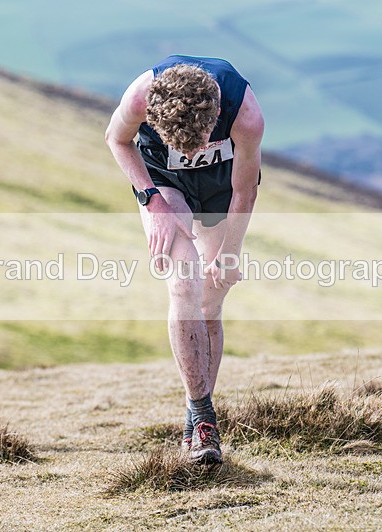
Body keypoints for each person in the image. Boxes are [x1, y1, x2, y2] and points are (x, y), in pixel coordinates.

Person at [105, 55, 264, 464]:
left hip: (221, 186)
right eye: (180, 145)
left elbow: (245, 192)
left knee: (210, 301)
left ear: (216, 117)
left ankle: (195, 417)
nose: (189, 153)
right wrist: (152, 200)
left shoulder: (245, 115)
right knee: (184, 284)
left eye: (197, 144)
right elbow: (116, 139)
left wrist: (230, 253)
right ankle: (205, 416)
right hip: (164, 183)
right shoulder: (140, 96)